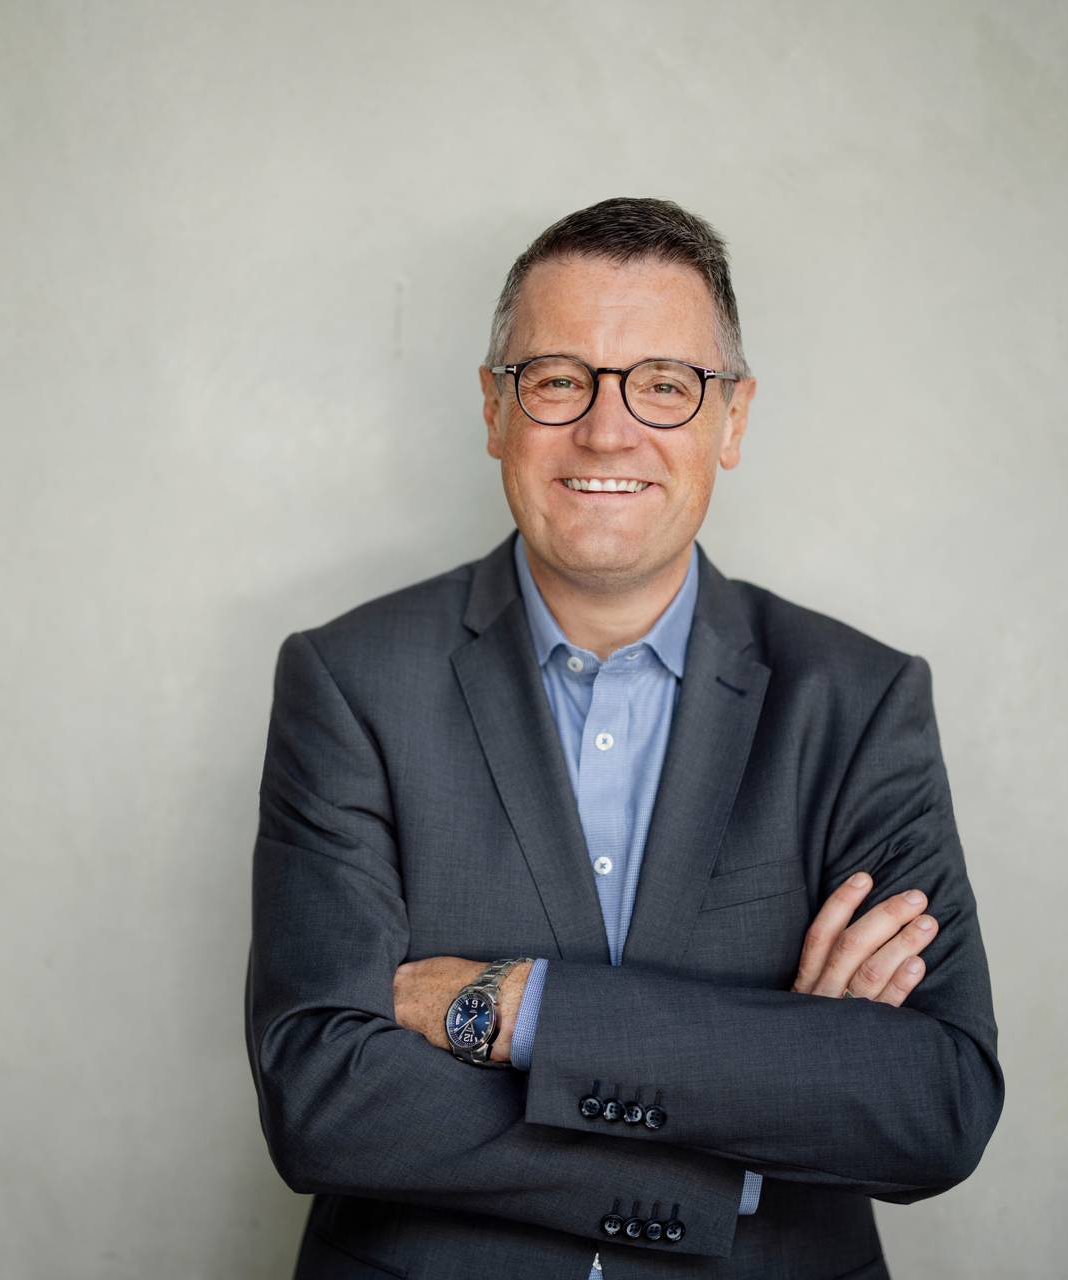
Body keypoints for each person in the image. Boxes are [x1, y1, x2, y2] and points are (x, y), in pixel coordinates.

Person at [245, 196, 1003, 1279]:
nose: (607, 431)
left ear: (731, 418)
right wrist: (768, 1082)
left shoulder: (857, 700)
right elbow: (322, 1097)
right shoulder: (350, 680)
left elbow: (935, 1103)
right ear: (495, 410)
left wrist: (521, 1009)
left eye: (664, 383)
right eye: (558, 380)